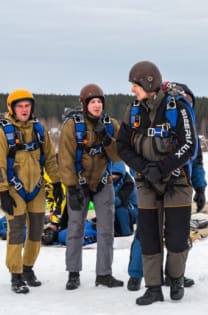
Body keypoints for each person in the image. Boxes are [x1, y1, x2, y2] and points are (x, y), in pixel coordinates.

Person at [117, 61, 198, 305]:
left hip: (177, 182)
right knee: (149, 237)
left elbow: (189, 145)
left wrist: (162, 168)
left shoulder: (178, 107)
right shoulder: (133, 111)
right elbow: (122, 145)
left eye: (135, 85)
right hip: (146, 183)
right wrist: (144, 168)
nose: (133, 90)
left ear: (148, 83)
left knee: (176, 237)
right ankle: (153, 287)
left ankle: (175, 279)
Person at [0, 89, 63, 293]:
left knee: (37, 231)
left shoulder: (39, 130)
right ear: (12, 108)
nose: (24, 110)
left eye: (27, 106)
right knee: (16, 232)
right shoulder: (1, 133)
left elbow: (49, 158)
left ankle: (28, 268)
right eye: (20, 106)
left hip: (36, 189)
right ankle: (16, 274)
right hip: (13, 191)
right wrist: (3, 192)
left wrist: (56, 183)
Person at [58, 83, 123, 290]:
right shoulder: (72, 126)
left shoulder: (111, 125)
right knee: (75, 228)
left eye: (99, 102)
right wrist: (71, 186)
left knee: (106, 230)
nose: (96, 105)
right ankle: (73, 273)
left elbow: (118, 156)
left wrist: (106, 138)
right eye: (92, 102)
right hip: (79, 183)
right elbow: (65, 158)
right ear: (84, 104)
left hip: (103, 183)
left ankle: (104, 274)